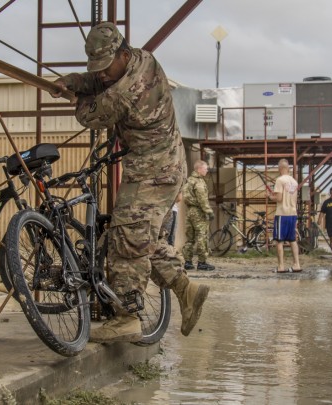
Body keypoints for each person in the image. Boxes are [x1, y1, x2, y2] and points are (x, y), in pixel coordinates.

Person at [49, 22, 209, 343]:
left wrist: (76, 96)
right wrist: (75, 81)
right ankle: (186, 290)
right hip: (165, 163)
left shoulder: (128, 89)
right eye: (98, 68)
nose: (104, 74)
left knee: (126, 237)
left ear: (122, 54)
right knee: (143, 238)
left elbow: (91, 115)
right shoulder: (142, 59)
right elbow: (99, 82)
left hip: (153, 170)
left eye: (107, 67)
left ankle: (127, 316)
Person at [268, 159, 301, 273]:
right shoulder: (294, 182)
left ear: (280, 168)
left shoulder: (280, 180)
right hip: (292, 213)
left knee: (279, 241)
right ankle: (296, 264)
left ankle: (281, 266)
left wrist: (270, 196)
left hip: (282, 213)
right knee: (292, 240)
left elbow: (279, 198)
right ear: (288, 168)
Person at [182, 160, 215, 271]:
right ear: (199, 169)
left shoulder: (189, 180)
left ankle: (188, 262)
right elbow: (202, 198)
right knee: (202, 236)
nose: (207, 170)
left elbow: (185, 197)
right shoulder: (199, 182)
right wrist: (208, 211)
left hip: (189, 211)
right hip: (198, 212)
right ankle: (202, 262)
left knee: (190, 238)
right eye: (205, 168)